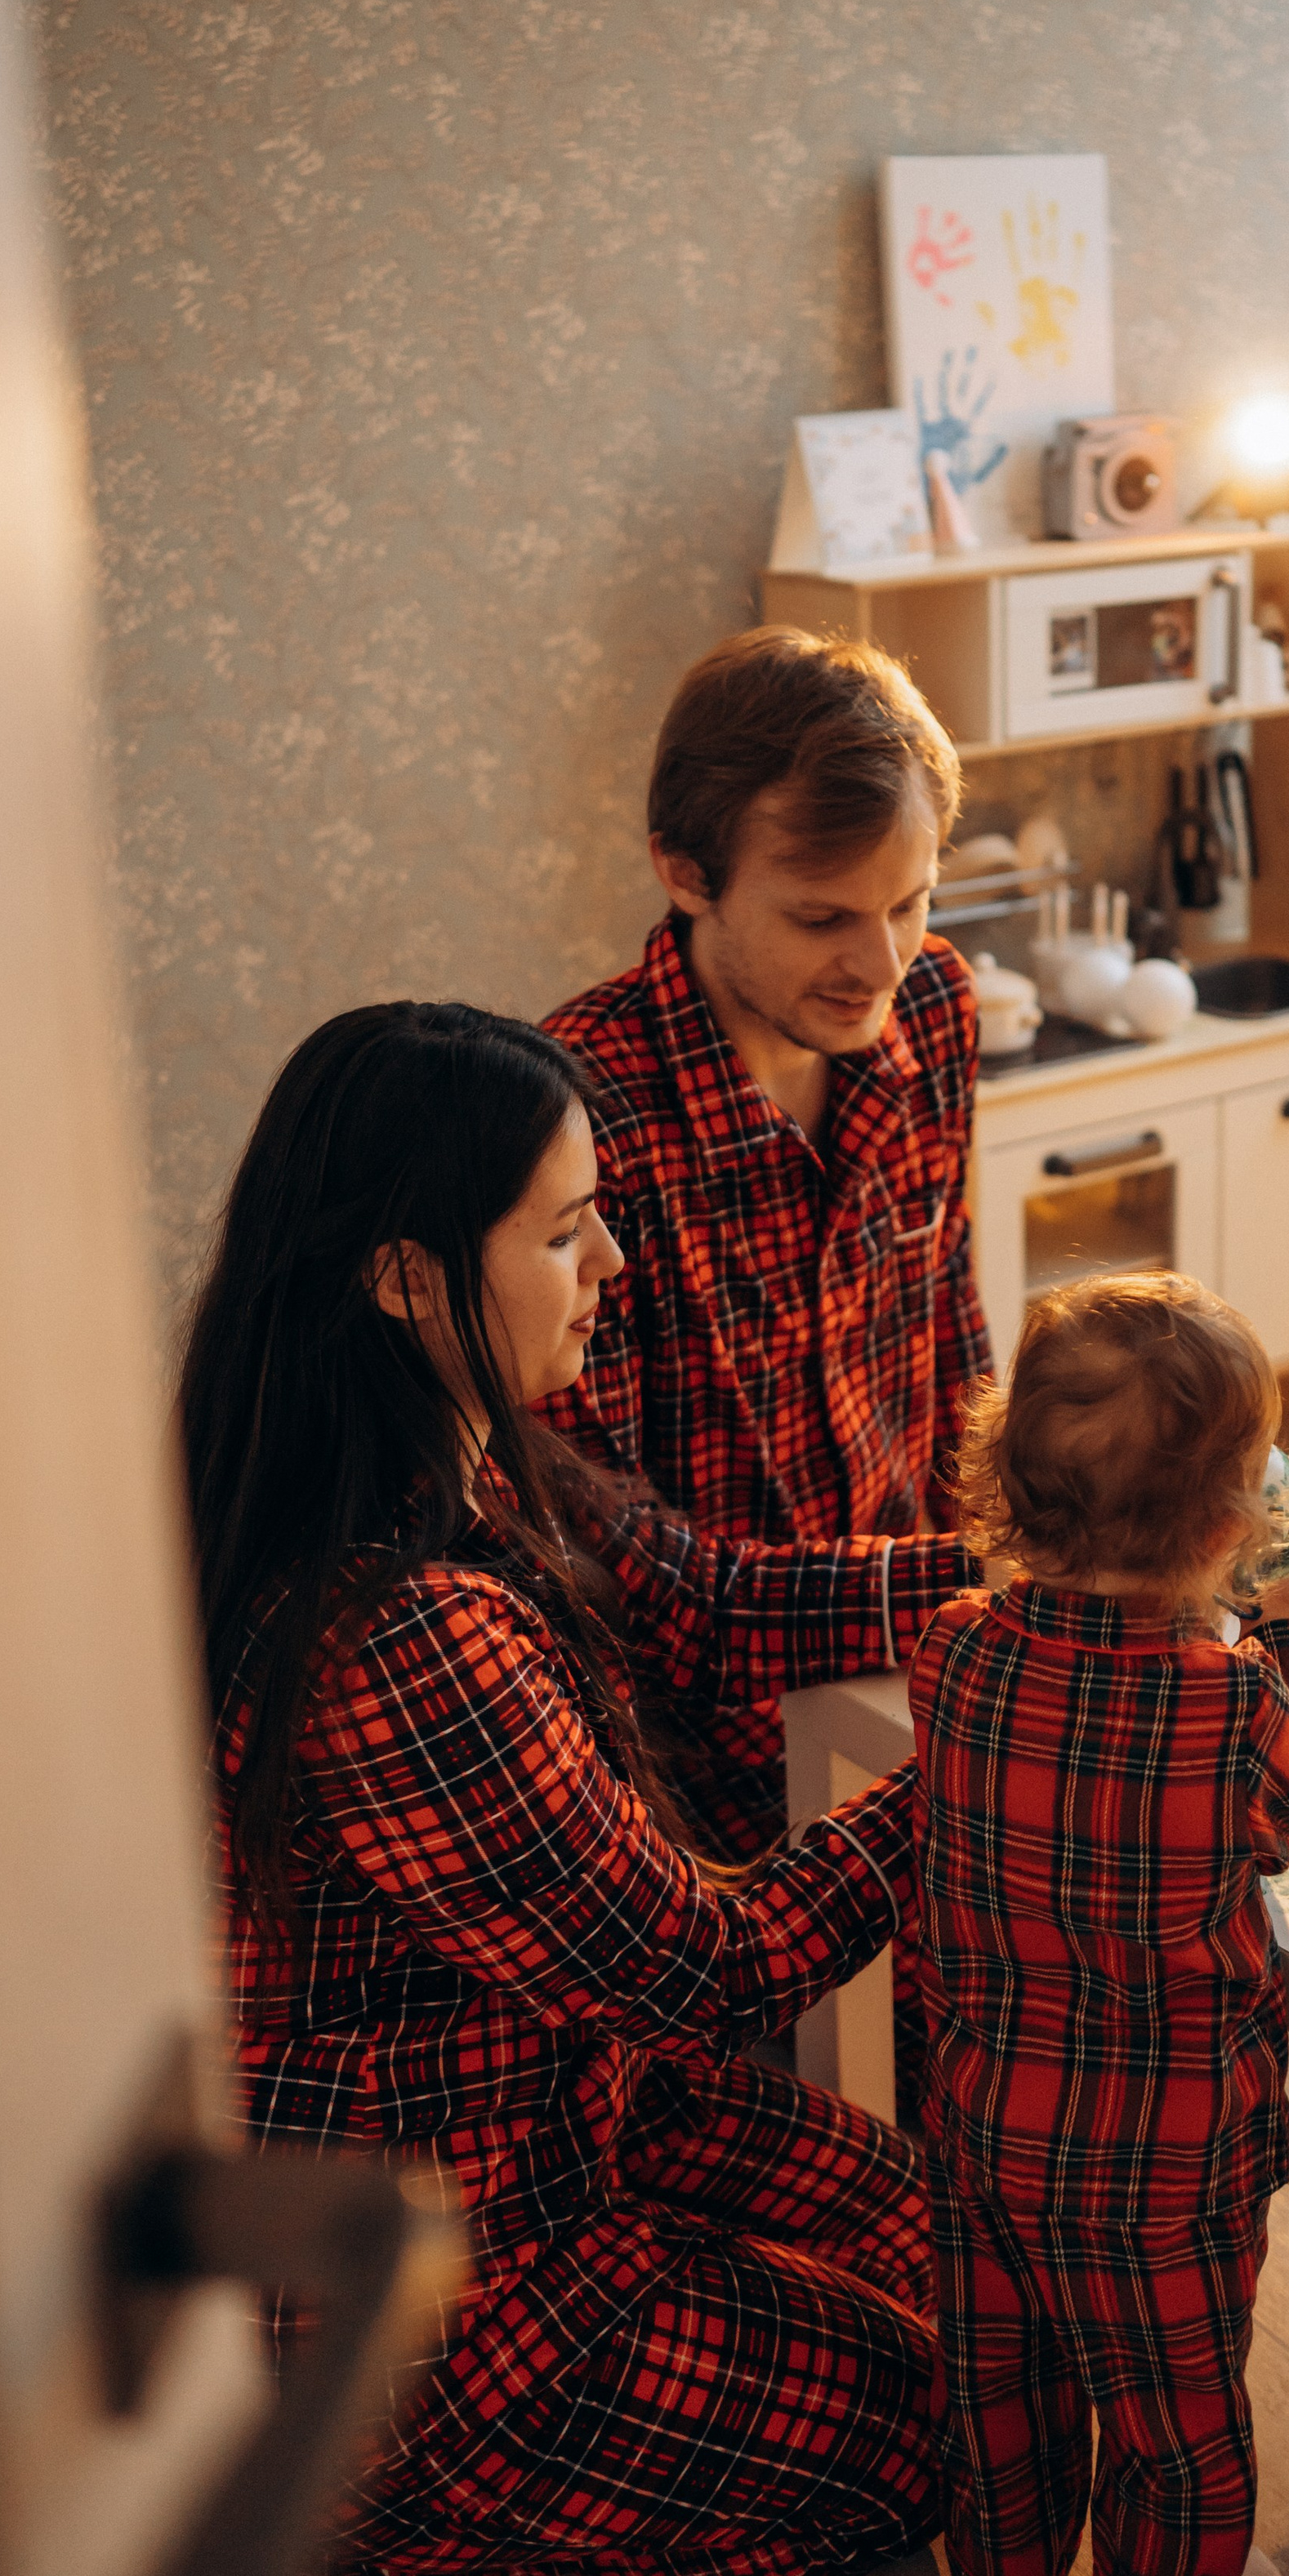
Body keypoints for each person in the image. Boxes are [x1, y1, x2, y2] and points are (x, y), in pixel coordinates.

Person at [181, 1001, 981, 2576]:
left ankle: (688, 2315)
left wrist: (1036, 1575)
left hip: (582, 2114)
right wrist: (974, 1747)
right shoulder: (396, 1636)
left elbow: (728, 1599)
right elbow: (713, 1971)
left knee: (970, 2260)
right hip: (439, 2268)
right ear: (404, 1274)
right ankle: (394, 2494)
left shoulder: (472, 1455)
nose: (610, 1261)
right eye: (563, 1230)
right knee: (947, 2424)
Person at [909, 1272, 1289, 2576]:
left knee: (1003, 2382)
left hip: (985, 2131)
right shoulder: (1230, 1701)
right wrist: (1279, 1628)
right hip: (1167, 2165)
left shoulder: (951, 1652)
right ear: (1231, 1529)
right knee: (1178, 2435)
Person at [543, 624, 992, 1858]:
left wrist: (1047, 1530)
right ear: (686, 875)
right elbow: (630, 1572)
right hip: (708, 1776)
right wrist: (978, 1582)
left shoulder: (937, 1007)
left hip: (930, 1671)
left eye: (912, 902)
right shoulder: (578, 1118)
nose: (880, 962)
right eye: (822, 917)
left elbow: (953, 1342)